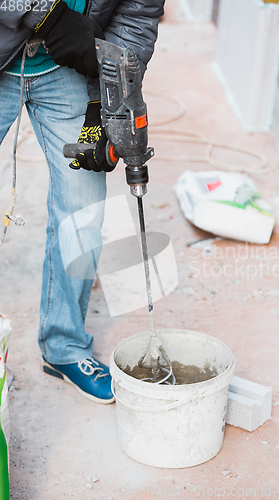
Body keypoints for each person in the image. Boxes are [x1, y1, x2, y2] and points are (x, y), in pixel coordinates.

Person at [0, 0, 165, 404]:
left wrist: (107, 94)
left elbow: (137, 14)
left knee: (84, 210)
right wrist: (48, 16)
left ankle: (64, 348)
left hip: (63, 70)